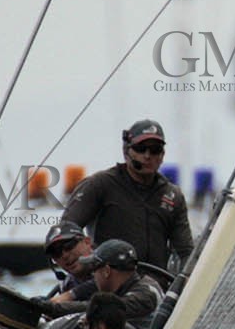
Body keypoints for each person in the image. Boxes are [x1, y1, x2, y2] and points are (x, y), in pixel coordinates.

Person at [61, 119, 194, 286]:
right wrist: (83, 264)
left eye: (154, 150)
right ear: (126, 151)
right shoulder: (100, 184)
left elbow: (186, 252)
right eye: (140, 149)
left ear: (162, 155)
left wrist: (185, 284)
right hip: (103, 286)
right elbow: (66, 229)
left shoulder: (173, 196)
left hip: (153, 290)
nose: (147, 156)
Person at [37, 239, 162, 329]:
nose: (93, 276)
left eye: (94, 270)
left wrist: (54, 308)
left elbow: (103, 308)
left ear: (106, 271)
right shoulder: (130, 286)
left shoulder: (146, 294)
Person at [43, 219, 94, 298]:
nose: (64, 255)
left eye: (69, 246)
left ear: (87, 242)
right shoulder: (66, 286)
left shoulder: (111, 265)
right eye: (56, 253)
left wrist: (71, 295)